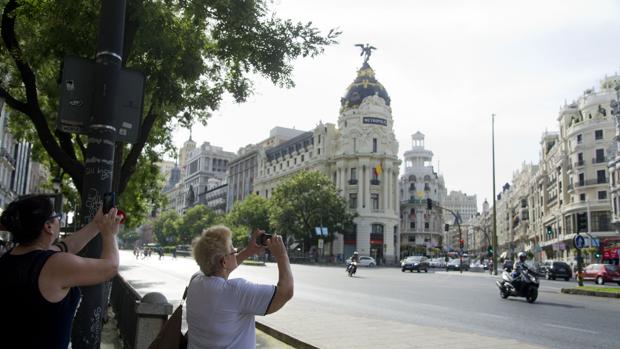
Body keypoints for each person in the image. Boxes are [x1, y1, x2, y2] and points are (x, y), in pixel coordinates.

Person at [0, 195, 120, 349]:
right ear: (48, 226)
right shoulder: (55, 264)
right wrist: (109, 234)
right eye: (57, 216)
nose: (59, 220)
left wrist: (96, 225)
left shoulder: (9, 258)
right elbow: (110, 267)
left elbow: (68, 245)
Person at [186, 226, 293, 349]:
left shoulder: (196, 281)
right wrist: (282, 255)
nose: (236, 250)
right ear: (224, 261)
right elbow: (286, 291)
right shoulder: (235, 292)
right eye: (232, 249)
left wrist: (249, 250)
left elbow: (220, 266)